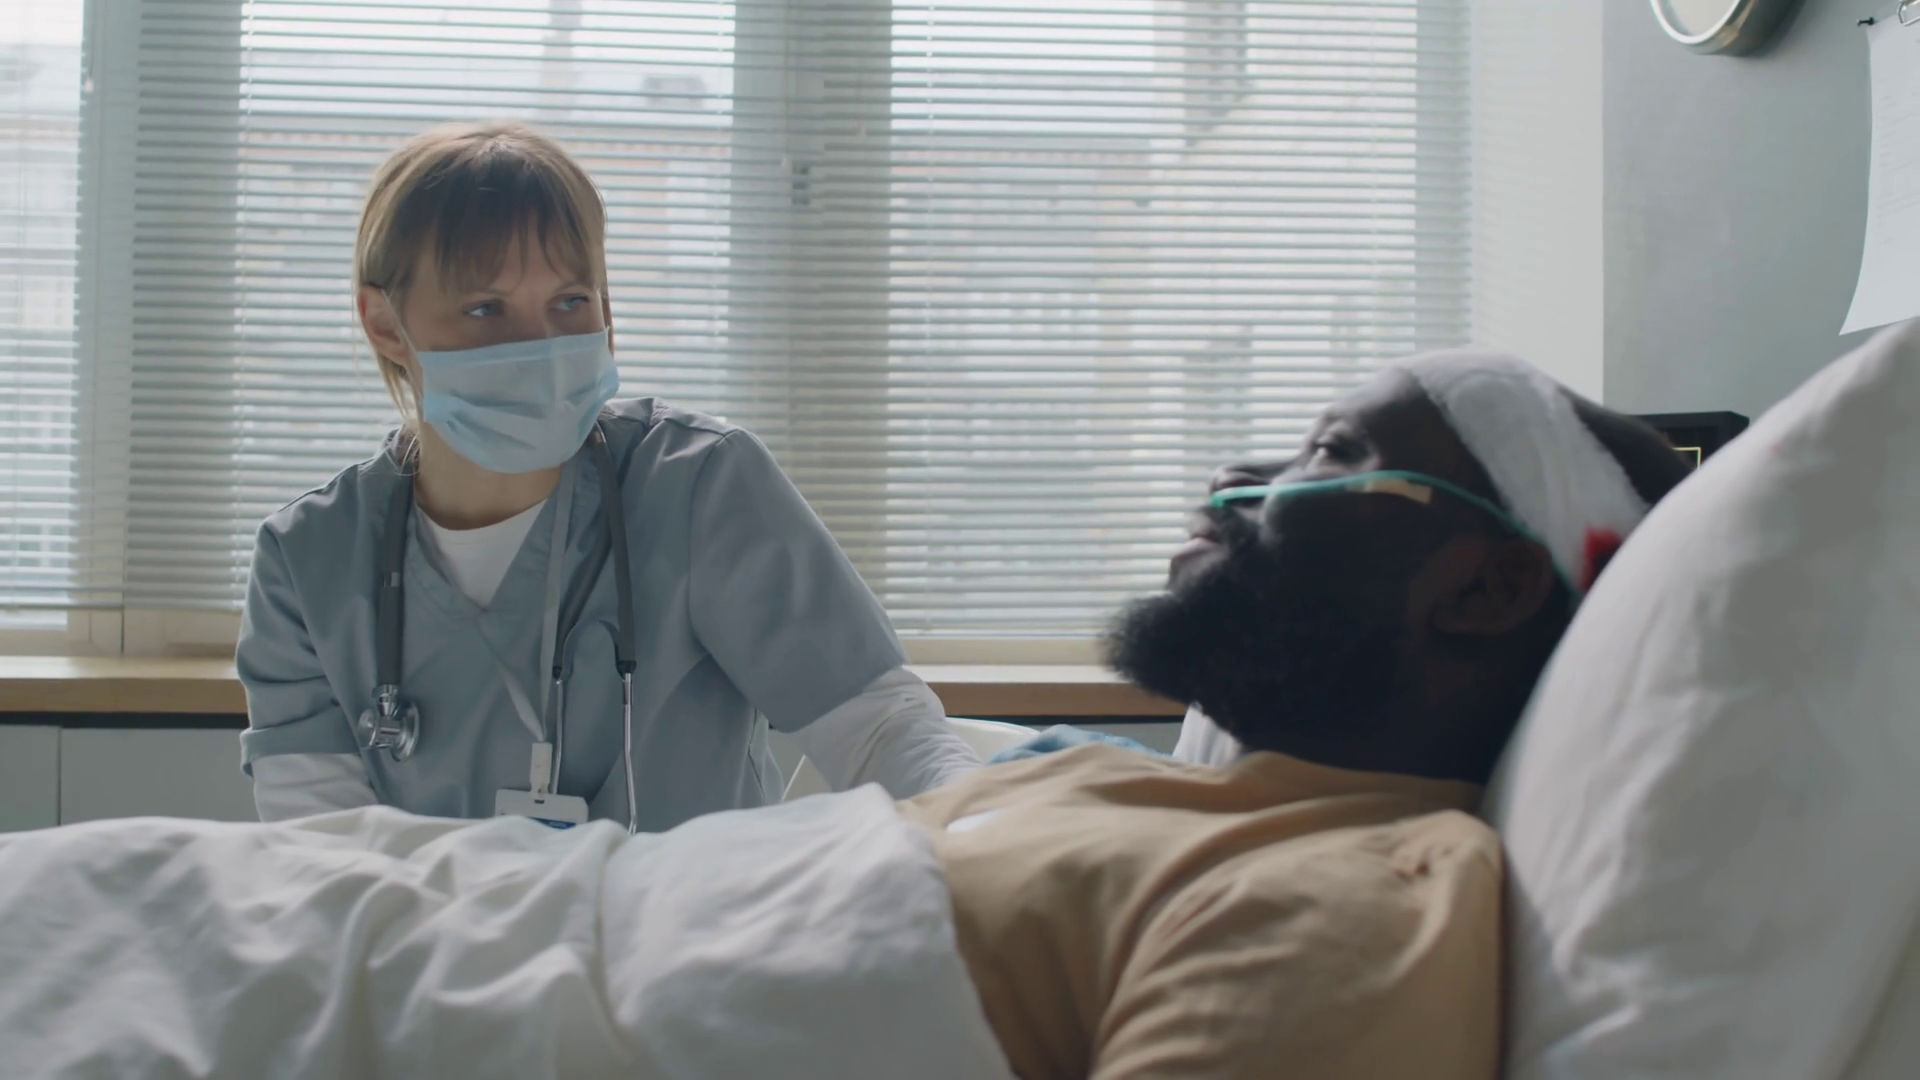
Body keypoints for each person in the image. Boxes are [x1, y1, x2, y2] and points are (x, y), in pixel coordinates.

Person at [3, 351, 1692, 1078]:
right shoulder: (1135, 796)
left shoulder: (1354, 894)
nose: (1241, 476)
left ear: (1484, 590)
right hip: (356, 926)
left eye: (1332, 455)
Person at [235, 122, 979, 830]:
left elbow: (882, 730)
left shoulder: (698, 486)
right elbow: (328, 856)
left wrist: (986, 827)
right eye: (485, 308)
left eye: (570, 301)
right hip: (439, 927)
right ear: (385, 324)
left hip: (695, 919)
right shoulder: (308, 563)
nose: (541, 345)